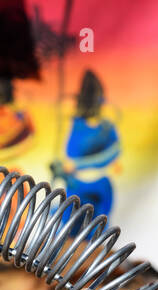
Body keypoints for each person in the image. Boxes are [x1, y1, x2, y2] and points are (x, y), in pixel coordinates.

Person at [52, 70, 119, 220]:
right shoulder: (78, 125)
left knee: (98, 223)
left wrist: (80, 164)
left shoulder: (107, 127)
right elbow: (70, 152)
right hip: (77, 185)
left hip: (100, 184)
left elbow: (113, 152)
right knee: (68, 220)